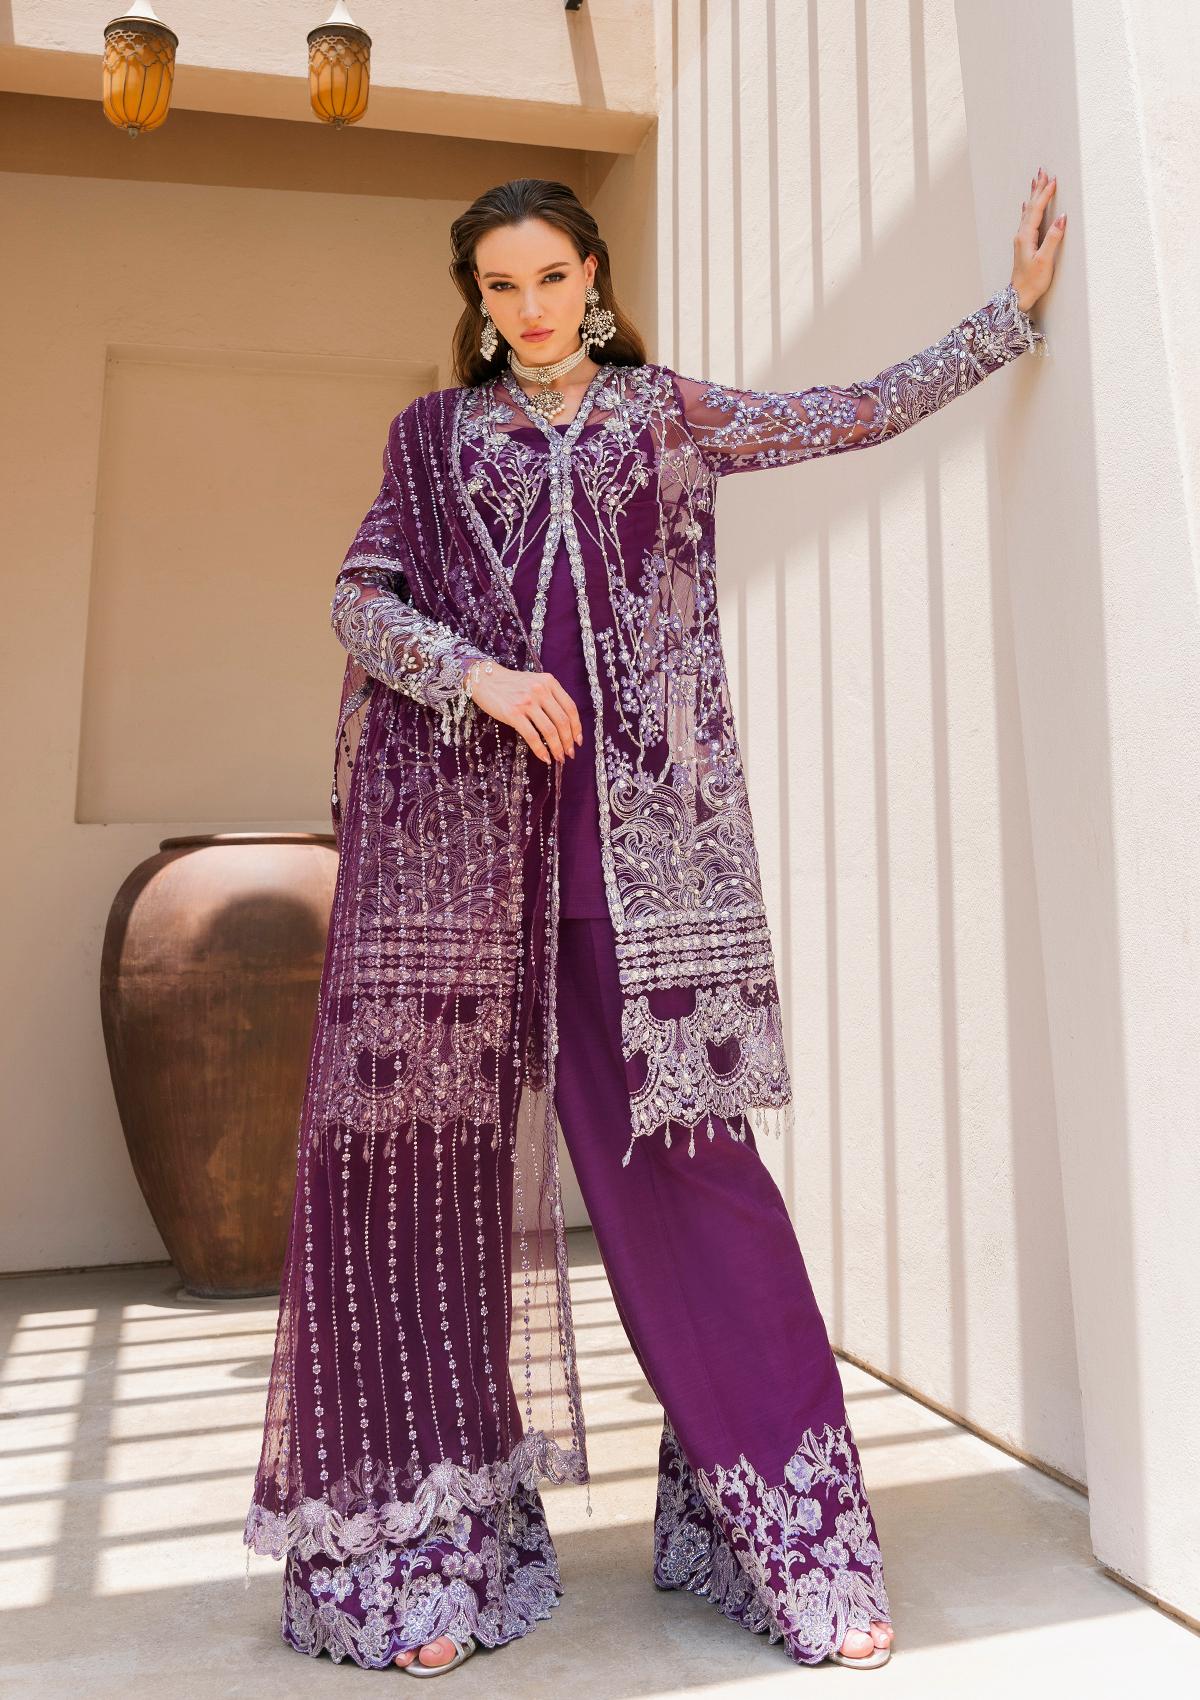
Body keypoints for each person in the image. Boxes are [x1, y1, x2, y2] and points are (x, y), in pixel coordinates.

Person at [243, 174, 1063, 1676]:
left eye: (550, 276)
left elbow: (845, 414)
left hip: (647, 886)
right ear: (476, 300)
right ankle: (421, 1563)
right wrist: (478, 676)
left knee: (701, 1190)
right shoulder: (434, 442)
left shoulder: (664, 415)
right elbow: (361, 600)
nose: (529, 308)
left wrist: (1004, 322)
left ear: (595, 274)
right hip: (457, 888)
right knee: (419, 1193)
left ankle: (798, 1546)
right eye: (500, 287)